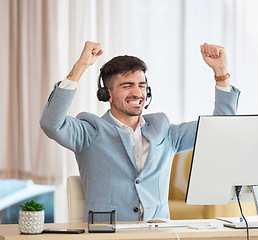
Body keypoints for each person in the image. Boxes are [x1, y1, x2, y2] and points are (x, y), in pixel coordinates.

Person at [40, 41, 240, 222]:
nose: (137, 93)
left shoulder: (163, 130)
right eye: (127, 86)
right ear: (106, 94)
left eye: (142, 86)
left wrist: (221, 74)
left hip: (158, 234)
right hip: (108, 235)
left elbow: (219, 130)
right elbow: (51, 123)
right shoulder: (89, 131)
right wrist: (80, 67)